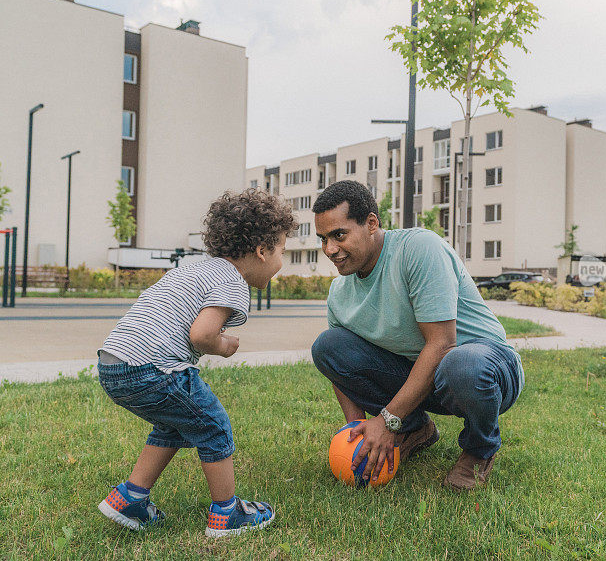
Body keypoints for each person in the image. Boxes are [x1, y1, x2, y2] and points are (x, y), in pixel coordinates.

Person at [96, 189, 296, 537]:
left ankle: (129, 499)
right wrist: (222, 345)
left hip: (114, 363)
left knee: (174, 424)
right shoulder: (232, 281)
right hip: (152, 368)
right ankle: (227, 514)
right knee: (212, 425)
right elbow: (201, 335)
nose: (281, 260)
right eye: (281, 250)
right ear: (262, 251)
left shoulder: (195, 269)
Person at [311, 180, 524, 490]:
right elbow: (340, 373)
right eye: (323, 239)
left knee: (460, 364)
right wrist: (357, 432)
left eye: (338, 235)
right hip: (424, 377)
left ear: (371, 223)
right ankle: (413, 429)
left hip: (485, 369)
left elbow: (442, 344)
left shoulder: (419, 249)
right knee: (328, 346)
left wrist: (385, 420)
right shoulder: (339, 293)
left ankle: (480, 448)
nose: (330, 249)